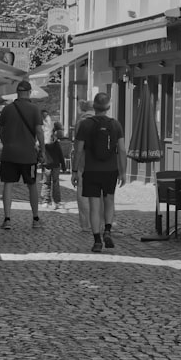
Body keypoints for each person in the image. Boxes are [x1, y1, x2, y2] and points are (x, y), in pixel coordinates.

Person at [72, 92, 126, 252]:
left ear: (94, 107)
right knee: (109, 200)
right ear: (108, 107)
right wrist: (123, 172)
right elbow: (122, 150)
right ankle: (107, 230)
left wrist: (74, 171)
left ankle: (97, 240)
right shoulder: (116, 124)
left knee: (94, 205)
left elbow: (79, 150)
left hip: (91, 169)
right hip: (110, 169)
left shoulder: (85, 124)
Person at [0, 80, 44, 229]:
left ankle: (7, 219)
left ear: (17, 93)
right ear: (29, 93)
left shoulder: (7, 109)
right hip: (28, 154)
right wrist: (42, 149)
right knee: (32, 185)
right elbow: (39, 131)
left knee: (8, 185)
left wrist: (7, 144)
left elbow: (1, 131)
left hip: (9, 153)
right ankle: (36, 219)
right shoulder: (35, 109)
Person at [72, 99, 95, 231]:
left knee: (83, 192)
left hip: (83, 161)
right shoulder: (104, 120)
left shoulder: (81, 122)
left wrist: (74, 170)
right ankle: (100, 223)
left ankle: (86, 223)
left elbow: (78, 147)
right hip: (100, 162)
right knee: (99, 193)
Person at [41, 121, 67, 210]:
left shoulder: (44, 142)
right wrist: (63, 166)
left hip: (46, 165)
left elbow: (40, 152)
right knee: (55, 183)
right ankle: (56, 201)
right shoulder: (56, 143)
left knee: (46, 183)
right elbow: (60, 155)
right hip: (55, 165)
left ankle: (45, 201)